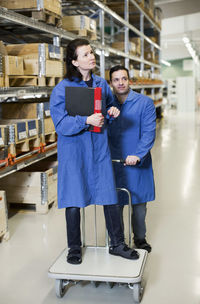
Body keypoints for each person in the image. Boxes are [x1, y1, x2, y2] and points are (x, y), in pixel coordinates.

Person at [50, 39, 139, 264]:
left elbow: (112, 107)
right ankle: (74, 249)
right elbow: (61, 125)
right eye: (86, 54)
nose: (92, 57)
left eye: (92, 53)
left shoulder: (100, 83)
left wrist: (112, 111)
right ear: (74, 62)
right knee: (73, 198)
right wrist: (85, 119)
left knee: (108, 194)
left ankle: (117, 243)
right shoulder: (62, 89)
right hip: (74, 151)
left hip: (98, 147)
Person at [108, 65, 156, 253]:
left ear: (129, 81)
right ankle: (118, 240)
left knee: (138, 205)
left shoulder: (144, 103)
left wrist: (138, 154)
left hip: (136, 161)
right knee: (115, 204)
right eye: (116, 79)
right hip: (114, 162)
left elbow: (149, 133)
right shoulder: (107, 105)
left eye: (124, 79)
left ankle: (140, 238)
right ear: (111, 83)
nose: (120, 83)